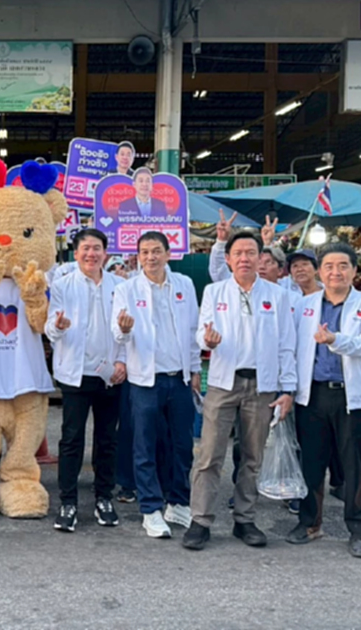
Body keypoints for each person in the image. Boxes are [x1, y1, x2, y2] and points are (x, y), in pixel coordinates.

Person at [183, 231, 296, 551]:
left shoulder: (277, 295)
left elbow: (287, 344)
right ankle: (201, 520)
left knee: (252, 456)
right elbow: (203, 335)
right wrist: (209, 342)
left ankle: (245, 519)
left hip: (263, 385)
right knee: (209, 456)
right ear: (228, 259)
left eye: (251, 253)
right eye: (238, 253)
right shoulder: (215, 292)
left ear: (262, 258)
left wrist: (287, 388)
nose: (245, 258)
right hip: (223, 383)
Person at [287, 243, 361, 558]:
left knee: (354, 464)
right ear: (320, 271)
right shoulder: (305, 305)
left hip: (351, 396)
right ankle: (310, 523)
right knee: (311, 462)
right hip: (312, 394)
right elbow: (294, 349)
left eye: (343, 265)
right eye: (328, 266)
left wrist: (334, 339)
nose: (335, 272)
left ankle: (359, 530)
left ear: (355, 270)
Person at [112, 231, 201, 539]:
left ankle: (177, 502)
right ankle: (150, 508)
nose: (150, 257)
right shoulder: (127, 288)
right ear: (138, 256)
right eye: (145, 252)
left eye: (156, 251)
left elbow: (192, 329)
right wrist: (123, 331)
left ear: (168, 253)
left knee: (182, 445)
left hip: (178, 378)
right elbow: (118, 334)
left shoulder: (185, 285)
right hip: (144, 380)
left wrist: (195, 369)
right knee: (144, 445)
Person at [45, 229, 127, 533]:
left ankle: (104, 498)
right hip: (75, 375)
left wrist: (123, 362)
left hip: (109, 375)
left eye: (96, 248)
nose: (91, 254)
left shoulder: (120, 285)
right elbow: (50, 328)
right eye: (85, 249)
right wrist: (58, 326)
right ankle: (68, 502)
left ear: (105, 253)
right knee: (71, 440)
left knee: (107, 441)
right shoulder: (63, 285)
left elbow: (127, 330)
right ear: (76, 253)